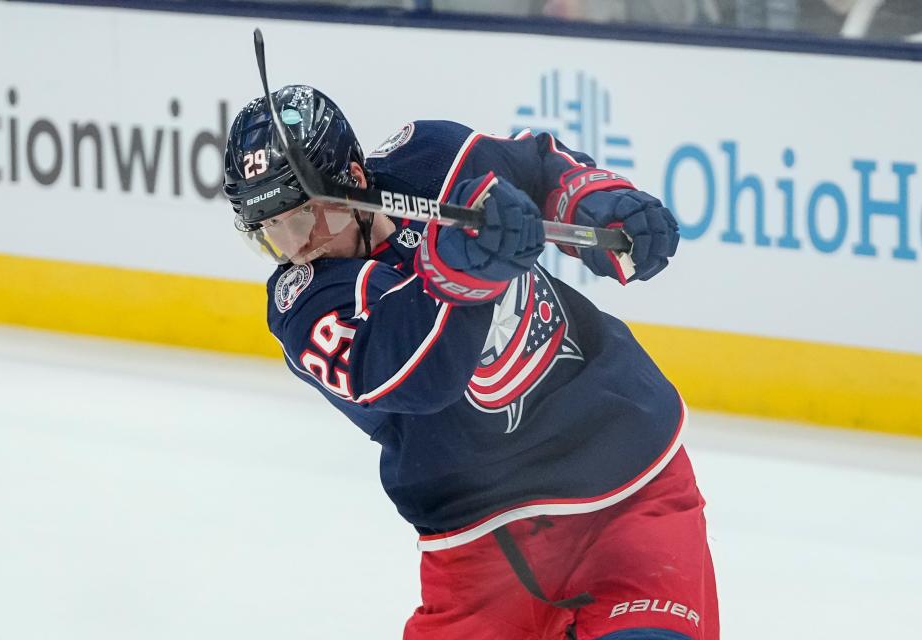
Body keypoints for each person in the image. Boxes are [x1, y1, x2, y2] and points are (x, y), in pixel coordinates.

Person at [223, 85, 719, 640]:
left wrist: (594, 204)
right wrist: (461, 271)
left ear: (355, 182)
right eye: (272, 229)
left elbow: (537, 167)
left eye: (307, 217)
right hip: (483, 549)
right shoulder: (305, 304)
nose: (300, 245)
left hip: (629, 486)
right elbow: (416, 377)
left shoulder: (432, 158)